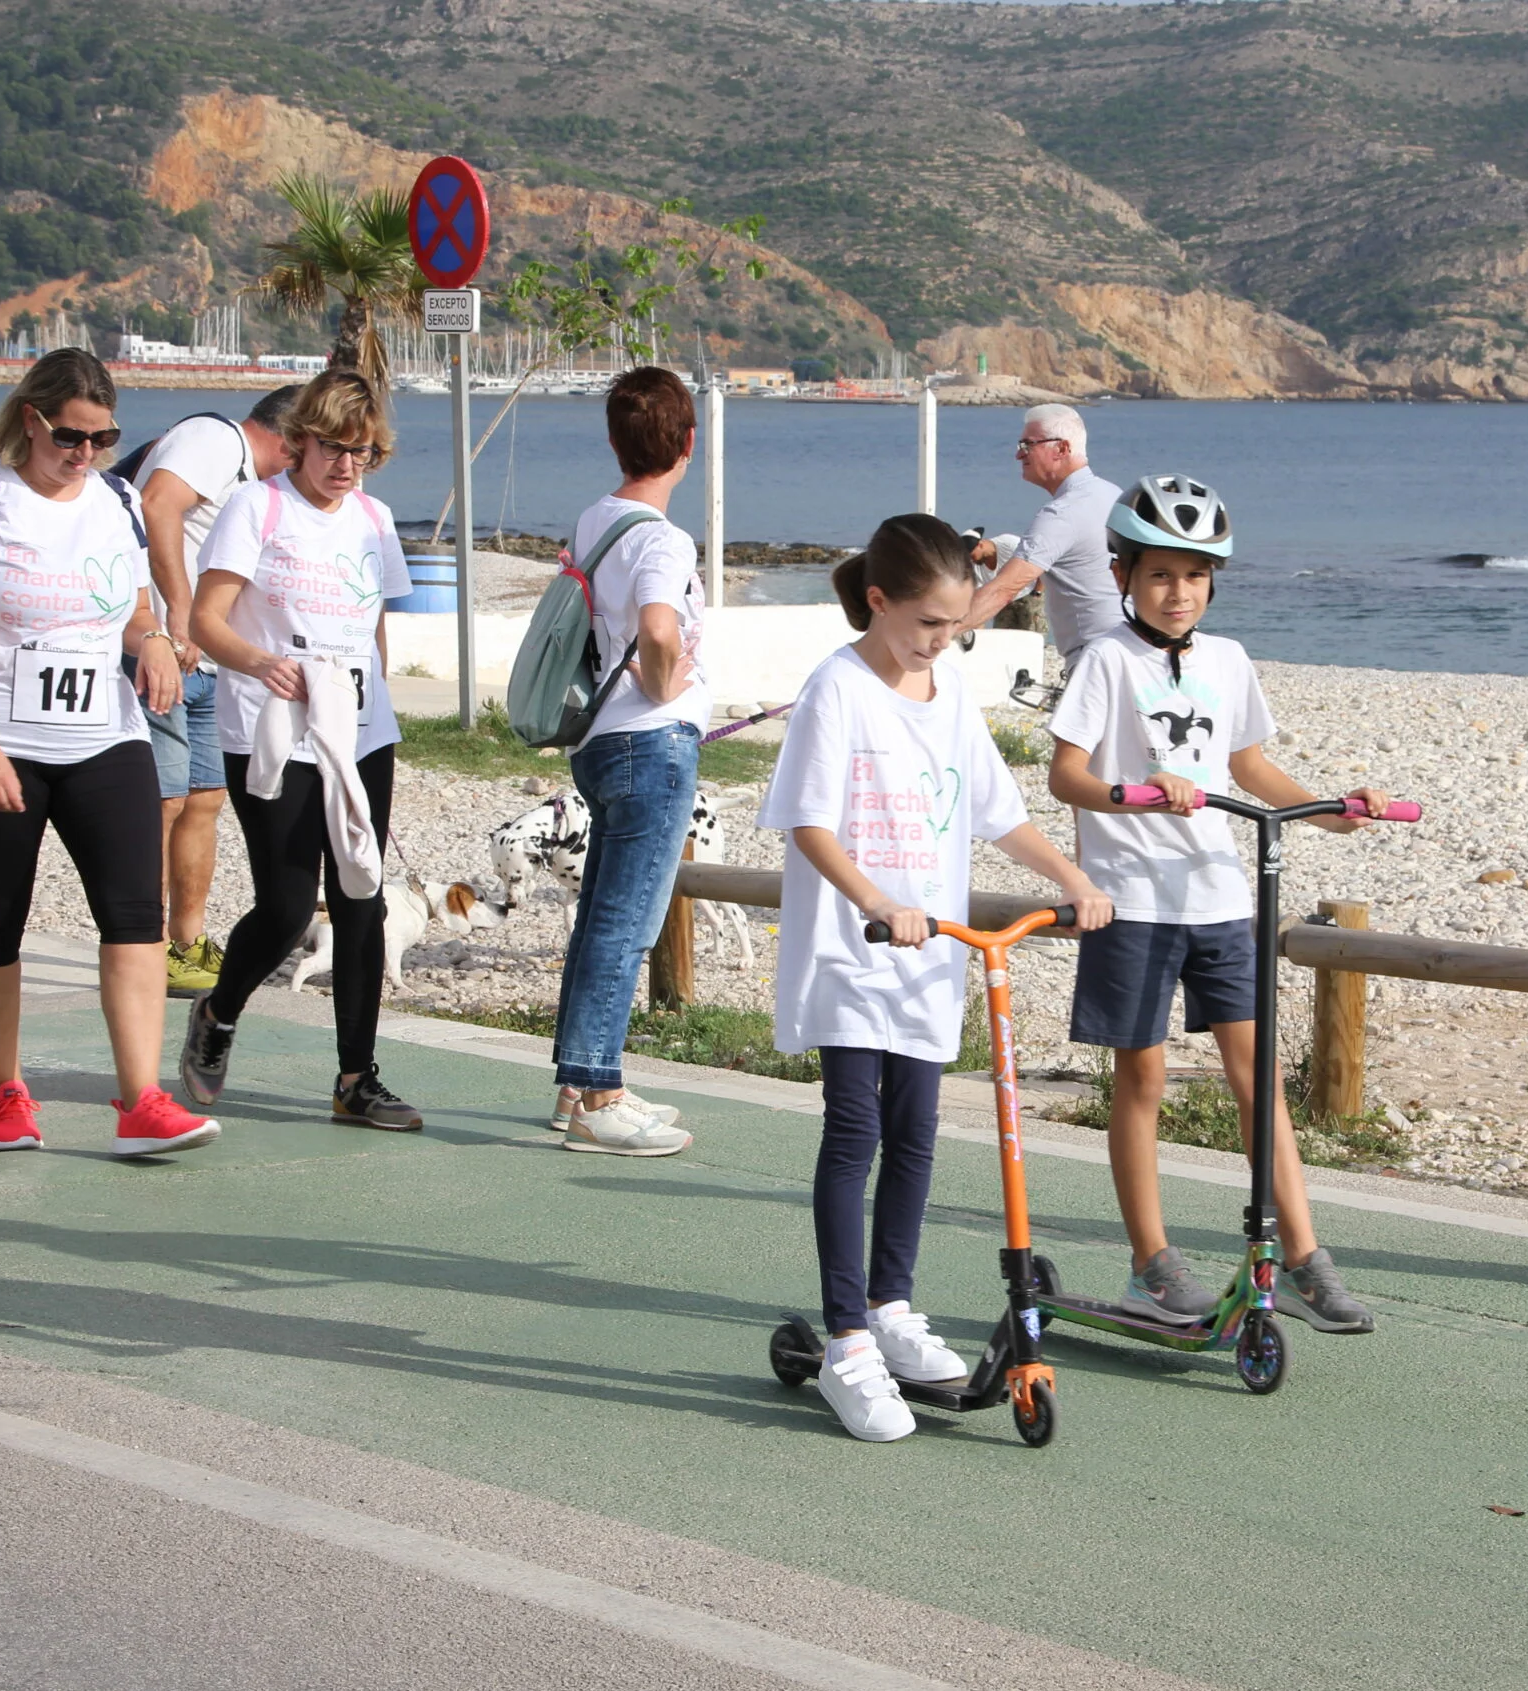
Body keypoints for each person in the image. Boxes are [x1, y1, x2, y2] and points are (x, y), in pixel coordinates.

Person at [760, 514, 1111, 1443]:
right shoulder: (837, 689)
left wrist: (1071, 878)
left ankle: (891, 1305)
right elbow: (808, 824)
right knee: (856, 1133)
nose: (941, 641)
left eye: (955, 627)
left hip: (934, 952)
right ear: (877, 603)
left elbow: (996, 813)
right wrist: (879, 899)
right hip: (855, 945)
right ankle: (844, 1342)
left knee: (917, 1131)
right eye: (927, 625)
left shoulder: (948, 691)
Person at [1045, 474, 1380, 1333]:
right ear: (1123, 574)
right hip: (1133, 898)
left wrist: (1332, 810)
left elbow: (1250, 768)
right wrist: (1139, 791)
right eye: (1161, 574)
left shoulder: (1228, 660)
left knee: (1256, 1076)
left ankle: (1304, 1256)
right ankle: (1151, 1262)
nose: (1179, 592)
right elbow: (1065, 774)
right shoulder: (1104, 661)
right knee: (1143, 1077)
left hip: (1219, 896)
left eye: (1194, 576)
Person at [0, 348, 218, 1156]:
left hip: (102, 737)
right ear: (31, 422)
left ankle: (141, 1097)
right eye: (69, 438)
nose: (85, 454)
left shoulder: (118, 500)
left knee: (134, 912)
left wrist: (150, 637)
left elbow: (129, 603)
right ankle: (5, 1091)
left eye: (102, 438)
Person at [177, 370, 421, 1133]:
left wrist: (379, 707)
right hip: (271, 725)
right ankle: (218, 1011)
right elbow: (204, 619)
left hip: (358, 731)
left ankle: (357, 1077)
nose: (346, 465)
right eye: (333, 448)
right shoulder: (258, 507)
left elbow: (374, 625)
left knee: (361, 896)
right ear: (300, 442)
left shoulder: (374, 520)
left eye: (362, 452)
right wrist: (259, 662)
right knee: (286, 906)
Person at [548, 366, 705, 1157]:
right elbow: (657, 628)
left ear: (614, 441)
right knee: (625, 922)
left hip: (599, 741)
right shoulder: (662, 538)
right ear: (687, 443)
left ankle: (580, 1077)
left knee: (602, 916)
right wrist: (666, 678)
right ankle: (597, 1094)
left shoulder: (594, 519)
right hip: (653, 740)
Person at [131, 387, 299, 994]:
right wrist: (179, 613)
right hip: (167, 645)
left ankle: (187, 942)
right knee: (162, 800)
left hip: (211, 660)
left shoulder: (255, 487)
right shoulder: (216, 441)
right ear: (288, 439)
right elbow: (156, 506)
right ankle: (141, 943)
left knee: (204, 796)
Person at [961, 404, 1122, 657]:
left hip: (1097, 658)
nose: (1018, 455)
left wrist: (933, 630)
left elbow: (1003, 590)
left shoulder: (1062, 514)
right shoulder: (1115, 495)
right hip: (1132, 647)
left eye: (1028, 445)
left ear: (1061, 448)